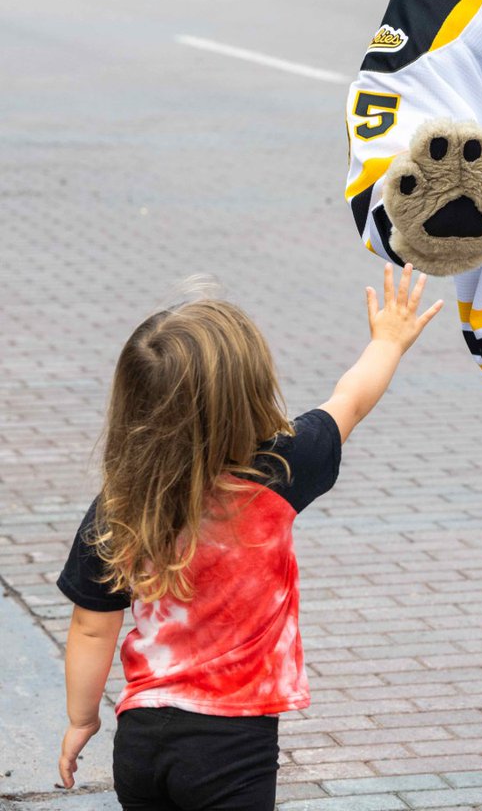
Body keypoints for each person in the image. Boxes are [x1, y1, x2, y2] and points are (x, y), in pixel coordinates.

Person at [56, 263, 442, 809]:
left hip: (141, 738)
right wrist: (389, 340)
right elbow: (350, 399)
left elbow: (91, 627)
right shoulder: (279, 469)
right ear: (248, 392)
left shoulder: (121, 505)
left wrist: (81, 719)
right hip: (233, 740)